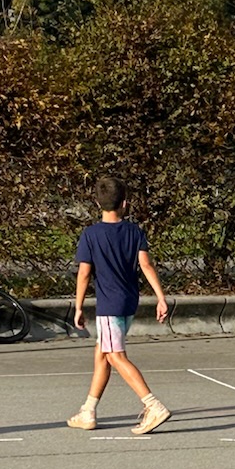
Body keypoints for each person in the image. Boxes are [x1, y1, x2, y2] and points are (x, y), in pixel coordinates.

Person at [68, 176, 171, 434]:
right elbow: (146, 265)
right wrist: (160, 296)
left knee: (115, 355)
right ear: (125, 203)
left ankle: (152, 405)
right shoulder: (135, 232)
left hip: (108, 306)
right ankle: (88, 411)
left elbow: (83, 274)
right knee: (102, 354)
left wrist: (78, 306)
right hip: (128, 302)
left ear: (96, 202)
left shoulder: (90, 235)